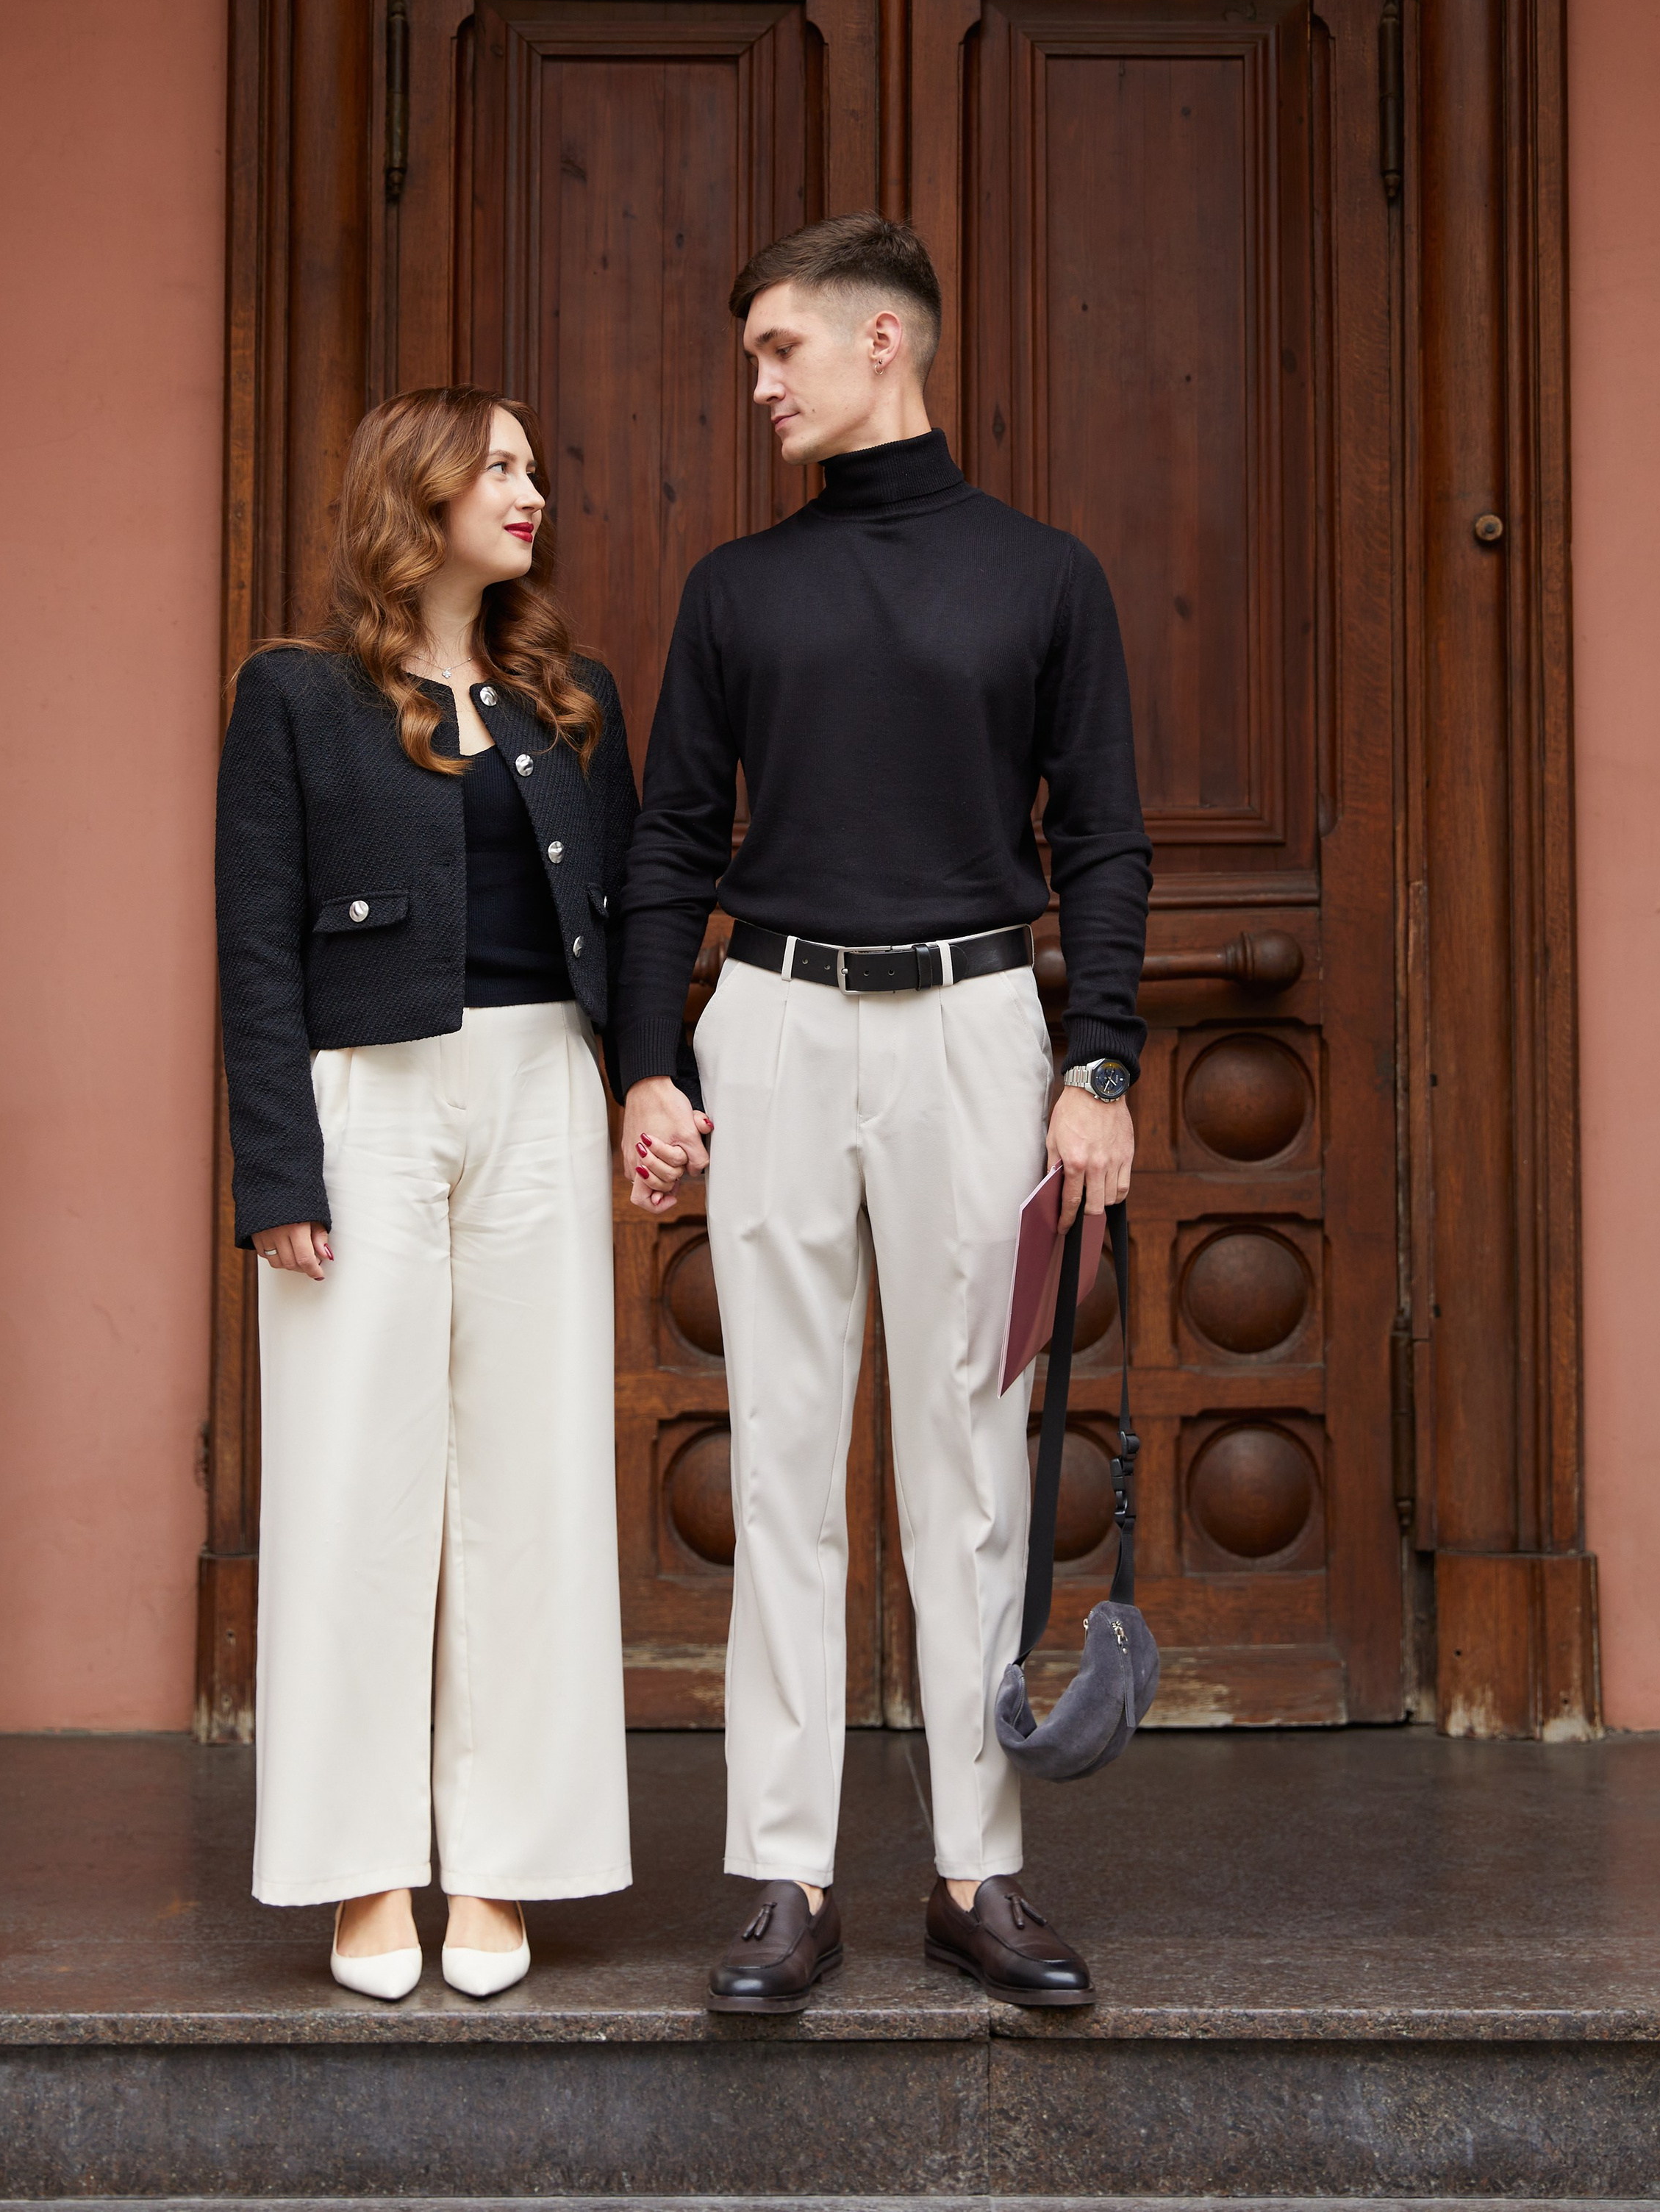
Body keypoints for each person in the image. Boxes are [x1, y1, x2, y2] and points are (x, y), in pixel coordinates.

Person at [615, 214, 1151, 2013]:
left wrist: (1099, 1064)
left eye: (780, 347)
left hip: (978, 1027)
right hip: (769, 1017)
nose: (758, 380)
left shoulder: (1043, 576)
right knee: (778, 1461)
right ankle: (785, 1876)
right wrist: (649, 1059)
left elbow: (1104, 836)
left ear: (882, 345)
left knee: (972, 1463)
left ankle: (972, 1875)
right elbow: (673, 838)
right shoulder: (733, 591)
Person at [215, 387, 637, 2001]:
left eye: (538, 463)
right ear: (421, 488)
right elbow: (256, 940)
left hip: (540, 1091)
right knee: (353, 1488)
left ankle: (511, 1861)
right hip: (362, 1101)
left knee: (531, 1485)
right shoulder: (298, 695)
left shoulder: (572, 694)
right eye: (501, 464)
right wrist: (275, 1169)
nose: (531, 488)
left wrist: (648, 1082)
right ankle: (363, 1866)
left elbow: (630, 910)